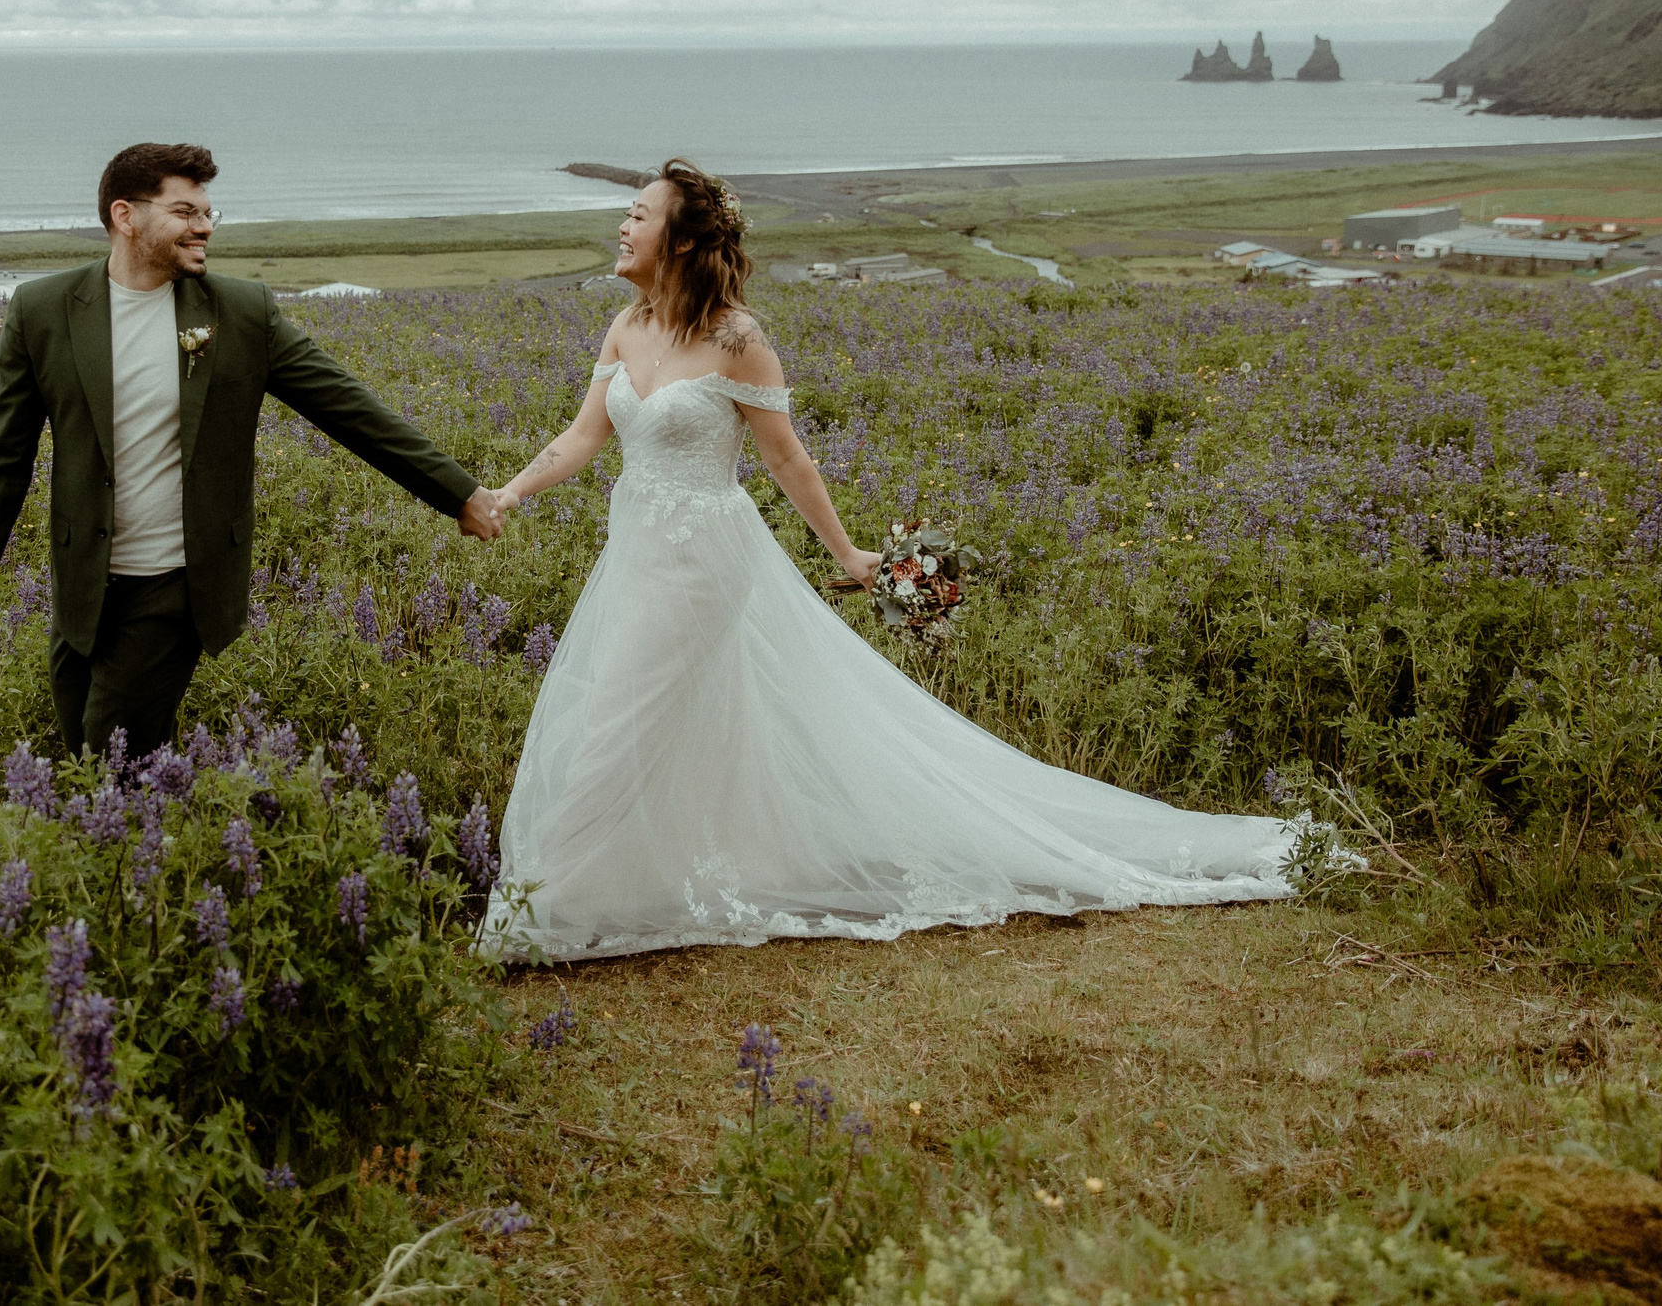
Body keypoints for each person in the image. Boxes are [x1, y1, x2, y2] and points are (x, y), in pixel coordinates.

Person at [481, 160, 1304, 961]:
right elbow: (584, 436)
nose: (621, 226)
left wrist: (849, 553)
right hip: (636, 549)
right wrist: (509, 493)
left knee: (616, 715)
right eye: (625, 212)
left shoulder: (738, 338)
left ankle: (551, 902)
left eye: (639, 215)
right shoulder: (626, 327)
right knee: (678, 720)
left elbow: (786, 460)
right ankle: (666, 880)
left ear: (685, 242)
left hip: (704, 559)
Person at [0, 142, 507, 753]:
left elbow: (353, 412)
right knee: (84, 751)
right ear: (126, 215)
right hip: (83, 585)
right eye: (185, 212)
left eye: (209, 213)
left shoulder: (242, 312)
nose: (204, 226)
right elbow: (1, 456)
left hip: (177, 580)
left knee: (111, 757)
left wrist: (459, 494)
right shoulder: (43, 310)